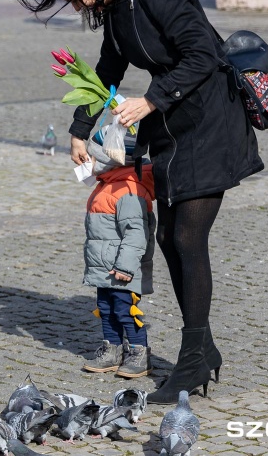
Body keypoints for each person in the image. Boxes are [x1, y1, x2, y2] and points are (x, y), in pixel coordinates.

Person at [20, 0, 263, 403]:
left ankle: (192, 359)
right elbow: (109, 68)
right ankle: (204, 347)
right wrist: (80, 129)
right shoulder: (116, 5)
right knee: (169, 238)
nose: (72, 3)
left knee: (188, 239)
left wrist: (152, 99)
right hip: (175, 130)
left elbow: (202, 55)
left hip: (211, 124)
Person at [80, 130, 155, 379]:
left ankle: (138, 352)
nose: (86, 161)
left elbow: (136, 234)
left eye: (92, 156)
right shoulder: (108, 185)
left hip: (123, 271)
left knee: (126, 310)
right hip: (104, 268)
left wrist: (125, 267)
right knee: (105, 308)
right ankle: (111, 349)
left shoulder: (128, 191)